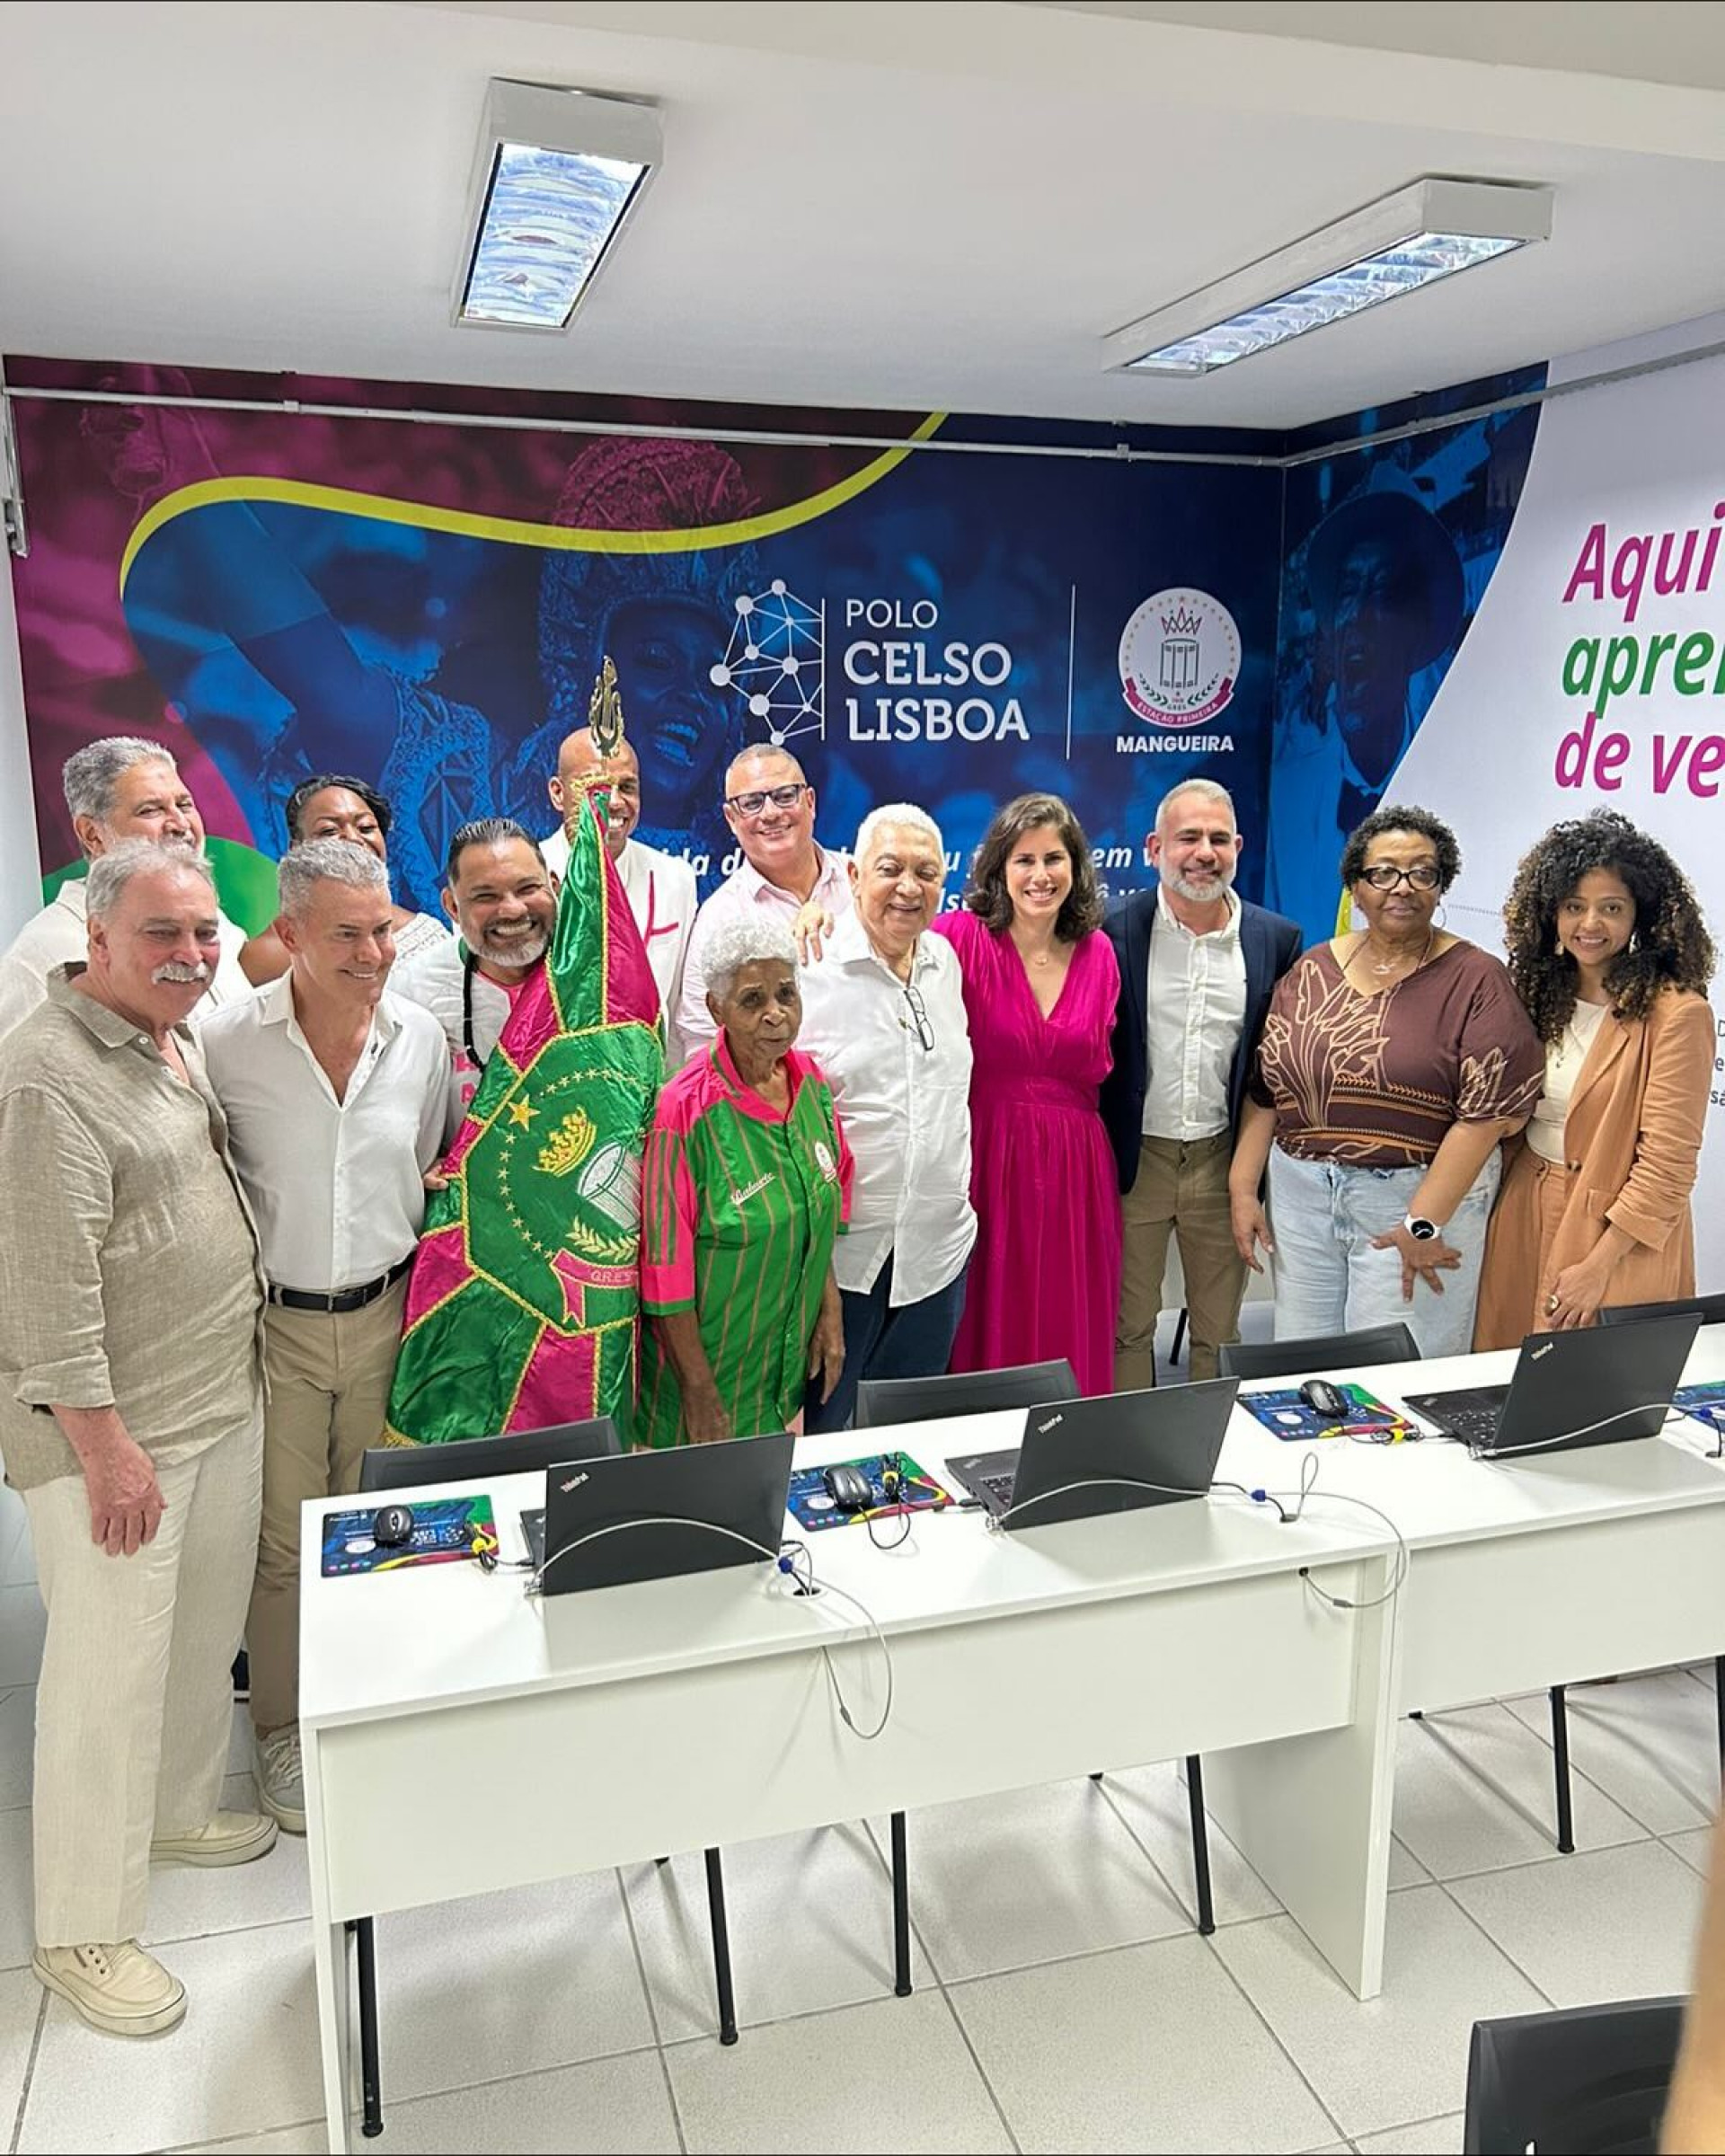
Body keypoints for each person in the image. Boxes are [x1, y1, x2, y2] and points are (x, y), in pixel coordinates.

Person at [0, 843, 272, 2037]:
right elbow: (44, 1295)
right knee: (104, 1682)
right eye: (163, 935)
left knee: (198, 1637)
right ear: (95, 941)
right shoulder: (45, 1077)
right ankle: (81, 1929)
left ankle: (171, 1810)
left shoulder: (171, 1035)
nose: (193, 956)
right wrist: (104, 1450)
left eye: (205, 933)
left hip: (218, 1397)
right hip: (119, 1439)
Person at [199, 840, 453, 1833]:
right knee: (284, 1543)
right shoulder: (227, 1044)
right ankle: (281, 1731)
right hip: (282, 1325)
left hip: (390, 1312)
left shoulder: (421, 1038)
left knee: (376, 1527)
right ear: (290, 934)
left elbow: (426, 1153)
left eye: (382, 928)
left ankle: (368, 1704)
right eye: (345, 933)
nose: (372, 951)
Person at [1231, 804, 1543, 1355]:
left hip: (1414, 1202)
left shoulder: (1477, 979)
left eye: (1423, 873)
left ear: (1441, 886)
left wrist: (1423, 1224)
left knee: (1395, 1379)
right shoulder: (1313, 967)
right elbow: (1266, 1088)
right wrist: (1241, 1189)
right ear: (1356, 884)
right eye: (1383, 873)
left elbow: (1487, 1118)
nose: (1403, 888)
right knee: (1305, 1369)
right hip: (1302, 1200)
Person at [1474, 811, 1715, 1347]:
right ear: (1550, 915)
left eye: (1611, 908)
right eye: (1574, 907)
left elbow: (1668, 1167)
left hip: (1616, 1232)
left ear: (1640, 918)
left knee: (1588, 1396)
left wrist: (1600, 1265)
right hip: (1524, 1203)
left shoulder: (1678, 1014)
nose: (1590, 924)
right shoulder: (1533, 995)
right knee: (1500, 1377)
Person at [1101, 780, 1302, 1386]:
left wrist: (1247, 1180)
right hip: (1132, 1161)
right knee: (1127, 1326)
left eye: (1219, 839)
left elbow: (1270, 1072)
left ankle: (1212, 1461)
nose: (1204, 852)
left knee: (1220, 1331)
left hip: (1223, 1163)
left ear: (1239, 846)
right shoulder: (1108, 930)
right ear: (1155, 846)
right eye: (1188, 837)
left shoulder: (1277, 940)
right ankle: (1132, 1457)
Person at [928, 792, 1121, 1398]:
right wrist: (819, 919)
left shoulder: (1101, 952)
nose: (1041, 876)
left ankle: (1064, 1459)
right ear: (998, 869)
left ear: (1076, 867)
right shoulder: (956, 938)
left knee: (1068, 1318)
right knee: (987, 1313)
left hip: (1075, 1174)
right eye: (1024, 860)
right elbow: (883, 958)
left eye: (1054, 859)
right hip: (987, 1158)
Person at [795, 804, 975, 1431]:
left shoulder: (946, 962)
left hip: (936, 1250)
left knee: (909, 1437)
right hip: (843, 1262)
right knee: (820, 1438)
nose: (908, 887)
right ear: (850, 874)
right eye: (890, 869)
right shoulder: (806, 966)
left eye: (926, 872)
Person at [639, 921, 852, 1447]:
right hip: (705, 1378)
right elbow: (664, 1272)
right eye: (752, 1000)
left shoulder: (811, 1086)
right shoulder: (682, 1111)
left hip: (780, 1369)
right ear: (717, 1010)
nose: (775, 1014)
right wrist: (698, 1390)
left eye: (786, 993)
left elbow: (821, 1210)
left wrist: (830, 1310)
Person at [1265, 467, 1465, 940]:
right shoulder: (1291, 799)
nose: (1358, 617)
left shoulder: (1456, 785)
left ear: (1418, 631)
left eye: (1381, 593)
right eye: (1349, 592)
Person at [0, 735, 252, 1040]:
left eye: (184, 804)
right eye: (150, 810)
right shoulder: (43, 953)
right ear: (92, 834)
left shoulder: (212, 923)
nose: (180, 824)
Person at [676, 746, 852, 1060]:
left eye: (785, 796)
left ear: (810, 802)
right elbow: (701, 1043)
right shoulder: (719, 919)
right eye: (752, 803)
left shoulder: (864, 883)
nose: (770, 813)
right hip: (778, 1104)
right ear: (731, 819)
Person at [542, 725, 696, 1058]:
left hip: (644, 1088)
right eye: (595, 787)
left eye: (627, 787)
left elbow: (678, 1011)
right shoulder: (526, 878)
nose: (614, 802)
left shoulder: (675, 879)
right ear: (557, 793)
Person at [390, 818, 558, 1108]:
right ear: (452, 907)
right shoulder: (413, 993)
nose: (513, 909)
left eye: (527, 888)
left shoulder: (600, 975)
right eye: (486, 896)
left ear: (554, 887)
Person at [236, 773, 449, 985]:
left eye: (366, 828)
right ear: (297, 849)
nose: (353, 839)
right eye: (329, 831)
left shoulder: (427, 937)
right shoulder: (267, 955)